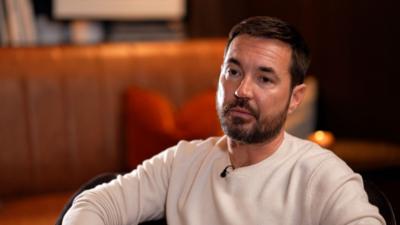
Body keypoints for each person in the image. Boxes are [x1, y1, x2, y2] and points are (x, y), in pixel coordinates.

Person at [62, 16, 385, 225]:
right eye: (233, 72)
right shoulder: (182, 162)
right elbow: (93, 204)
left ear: (294, 99)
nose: (242, 90)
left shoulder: (321, 175)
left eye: (265, 79)